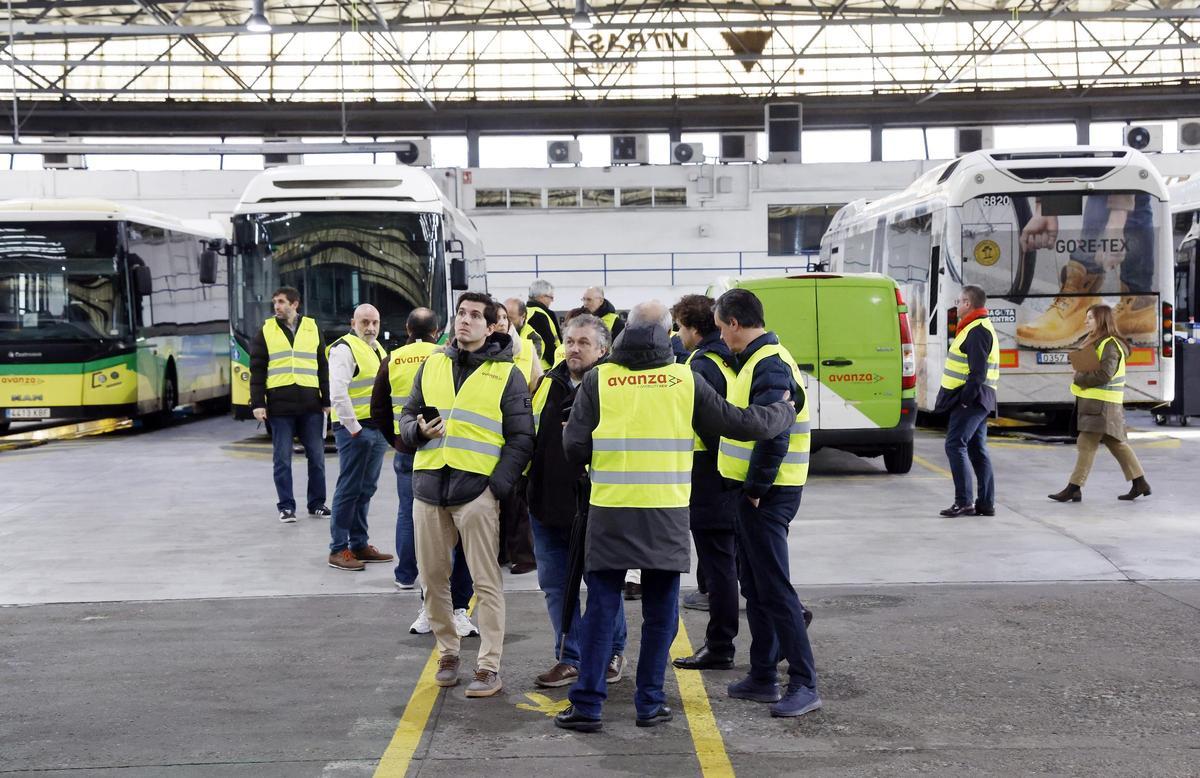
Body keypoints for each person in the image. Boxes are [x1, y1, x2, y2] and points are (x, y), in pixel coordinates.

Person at [554, 301, 795, 733]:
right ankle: (649, 704)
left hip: (610, 509)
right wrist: (783, 411)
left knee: (602, 609)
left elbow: (573, 448)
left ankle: (588, 705)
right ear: (666, 333)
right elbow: (738, 423)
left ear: (623, 333)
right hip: (664, 511)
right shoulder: (683, 379)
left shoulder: (599, 379)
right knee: (661, 612)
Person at [398, 292, 535, 698]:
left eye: (476, 315)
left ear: (492, 326)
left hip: (476, 492)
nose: (465, 320)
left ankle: (489, 666)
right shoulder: (432, 364)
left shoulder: (506, 374)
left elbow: (522, 438)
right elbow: (407, 415)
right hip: (428, 488)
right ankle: (448, 652)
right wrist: (418, 432)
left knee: (485, 581)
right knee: (433, 580)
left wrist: (496, 487)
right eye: (461, 313)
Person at [712, 288, 822, 719]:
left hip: (767, 495)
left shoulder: (770, 365)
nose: (721, 337)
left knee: (775, 589)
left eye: (722, 328)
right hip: (756, 493)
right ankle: (762, 676)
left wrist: (755, 488)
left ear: (735, 324)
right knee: (757, 587)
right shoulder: (758, 361)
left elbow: (773, 430)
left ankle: (804, 682)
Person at [527, 313, 628, 689]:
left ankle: (613, 652)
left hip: (597, 506)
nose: (574, 348)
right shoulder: (548, 384)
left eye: (583, 342)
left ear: (603, 349)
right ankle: (569, 657)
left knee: (602, 585)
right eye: (570, 341)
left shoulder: (614, 386)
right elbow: (531, 437)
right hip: (548, 505)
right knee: (556, 586)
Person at [369, 308, 479, 638]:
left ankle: (406, 575)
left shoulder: (393, 358)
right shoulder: (444, 356)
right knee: (458, 536)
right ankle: (456, 607)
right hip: (449, 453)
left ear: (405, 328)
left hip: (410, 450)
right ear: (439, 331)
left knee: (414, 522)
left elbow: (378, 407)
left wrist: (399, 442)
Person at [669, 295, 741, 671]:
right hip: (729, 474)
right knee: (735, 561)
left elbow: (710, 425)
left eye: (680, 327)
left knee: (719, 569)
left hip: (711, 478)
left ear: (694, 328)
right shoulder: (728, 357)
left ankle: (720, 645)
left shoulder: (700, 365)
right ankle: (790, 613)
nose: (677, 334)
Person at [1017, 194, 1157, 347]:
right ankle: (1137, 309)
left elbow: (1123, 172)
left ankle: (1085, 298)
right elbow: (1060, 172)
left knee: (1104, 188)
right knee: (1122, 192)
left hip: (1120, 172)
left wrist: (1116, 221)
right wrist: (1045, 207)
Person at [1049, 304, 1152, 502]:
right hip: (1098, 403)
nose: (1086, 321)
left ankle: (1074, 488)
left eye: (1090, 318)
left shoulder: (1110, 344)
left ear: (1101, 320)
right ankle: (1140, 482)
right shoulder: (1099, 342)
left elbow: (1105, 374)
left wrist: (1079, 376)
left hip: (1101, 404)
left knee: (1085, 444)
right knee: (1116, 443)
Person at [249, 286, 331, 523]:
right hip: (280, 407)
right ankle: (286, 507)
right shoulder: (265, 330)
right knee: (282, 459)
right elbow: (257, 370)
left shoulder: (312, 327)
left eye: (282, 302)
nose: (277, 306)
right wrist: (258, 403)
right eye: (275, 302)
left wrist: (326, 400)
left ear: (295, 304)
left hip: (311, 406)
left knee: (316, 458)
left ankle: (317, 503)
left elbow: (322, 366)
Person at [327, 304, 395, 571]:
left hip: (374, 429)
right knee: (349, 488)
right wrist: (353, 427)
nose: (371, 327)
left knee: (366, 489)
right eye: (365, 322)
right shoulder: (344, 349)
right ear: (353, 323)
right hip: (355, 430)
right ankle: (338, 549)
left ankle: (359, 544)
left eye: (375, 322)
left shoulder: (377, 349)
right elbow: (338, 394)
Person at [934, 284, 999, 518]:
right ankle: (985, 503)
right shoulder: (974, 327)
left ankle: (964, 502)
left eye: (959, 301)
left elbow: (977, 372)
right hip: (979, 398)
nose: (956, 304)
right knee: (976, 448)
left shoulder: (977, 330)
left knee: (955, 444)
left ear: (968, 304)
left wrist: (964, 400)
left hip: (972, 399)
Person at [492, 303, 538, 575]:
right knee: (493, 494)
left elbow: (536, 385)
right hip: (489, 430)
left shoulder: (526, 349)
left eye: (503, 318)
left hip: (517, 428)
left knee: (517, 495)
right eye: (495, 318)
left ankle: (522, 554)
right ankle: (499, 551)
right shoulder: (481, 351)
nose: (499, 322)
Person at [526, 279, 561, 371]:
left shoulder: (525, 312)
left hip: (528, 365)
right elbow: (549, 344)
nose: (552, 301)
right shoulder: (539, 315)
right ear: (541, 296)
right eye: (551, 297)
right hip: (544, 368)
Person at [505, 297, 545, 367]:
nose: (505, 322)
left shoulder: (534, 338)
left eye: (510, 318)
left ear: (523, 317)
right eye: (504, 317)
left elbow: (532, 364)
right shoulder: (494, 332)